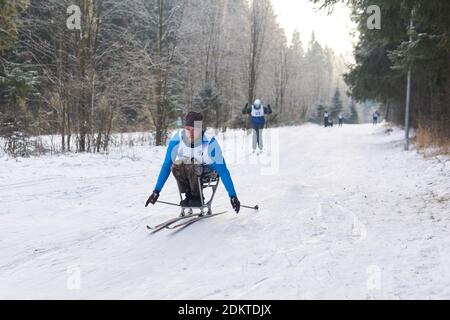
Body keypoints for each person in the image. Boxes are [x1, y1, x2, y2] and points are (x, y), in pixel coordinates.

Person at [145, 112, 240, 213]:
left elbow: (223, 171)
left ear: (200, 130)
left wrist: (233, 195)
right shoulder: (177, 139)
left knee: (191, 163)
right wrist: (156, 191)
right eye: (188, 129)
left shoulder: (210, 143)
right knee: (176, 165)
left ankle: (197, 197)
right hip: (189, 170)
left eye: (194, 130)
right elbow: (166, 165)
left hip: (209, 171)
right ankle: (188, 195)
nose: (190, 133)